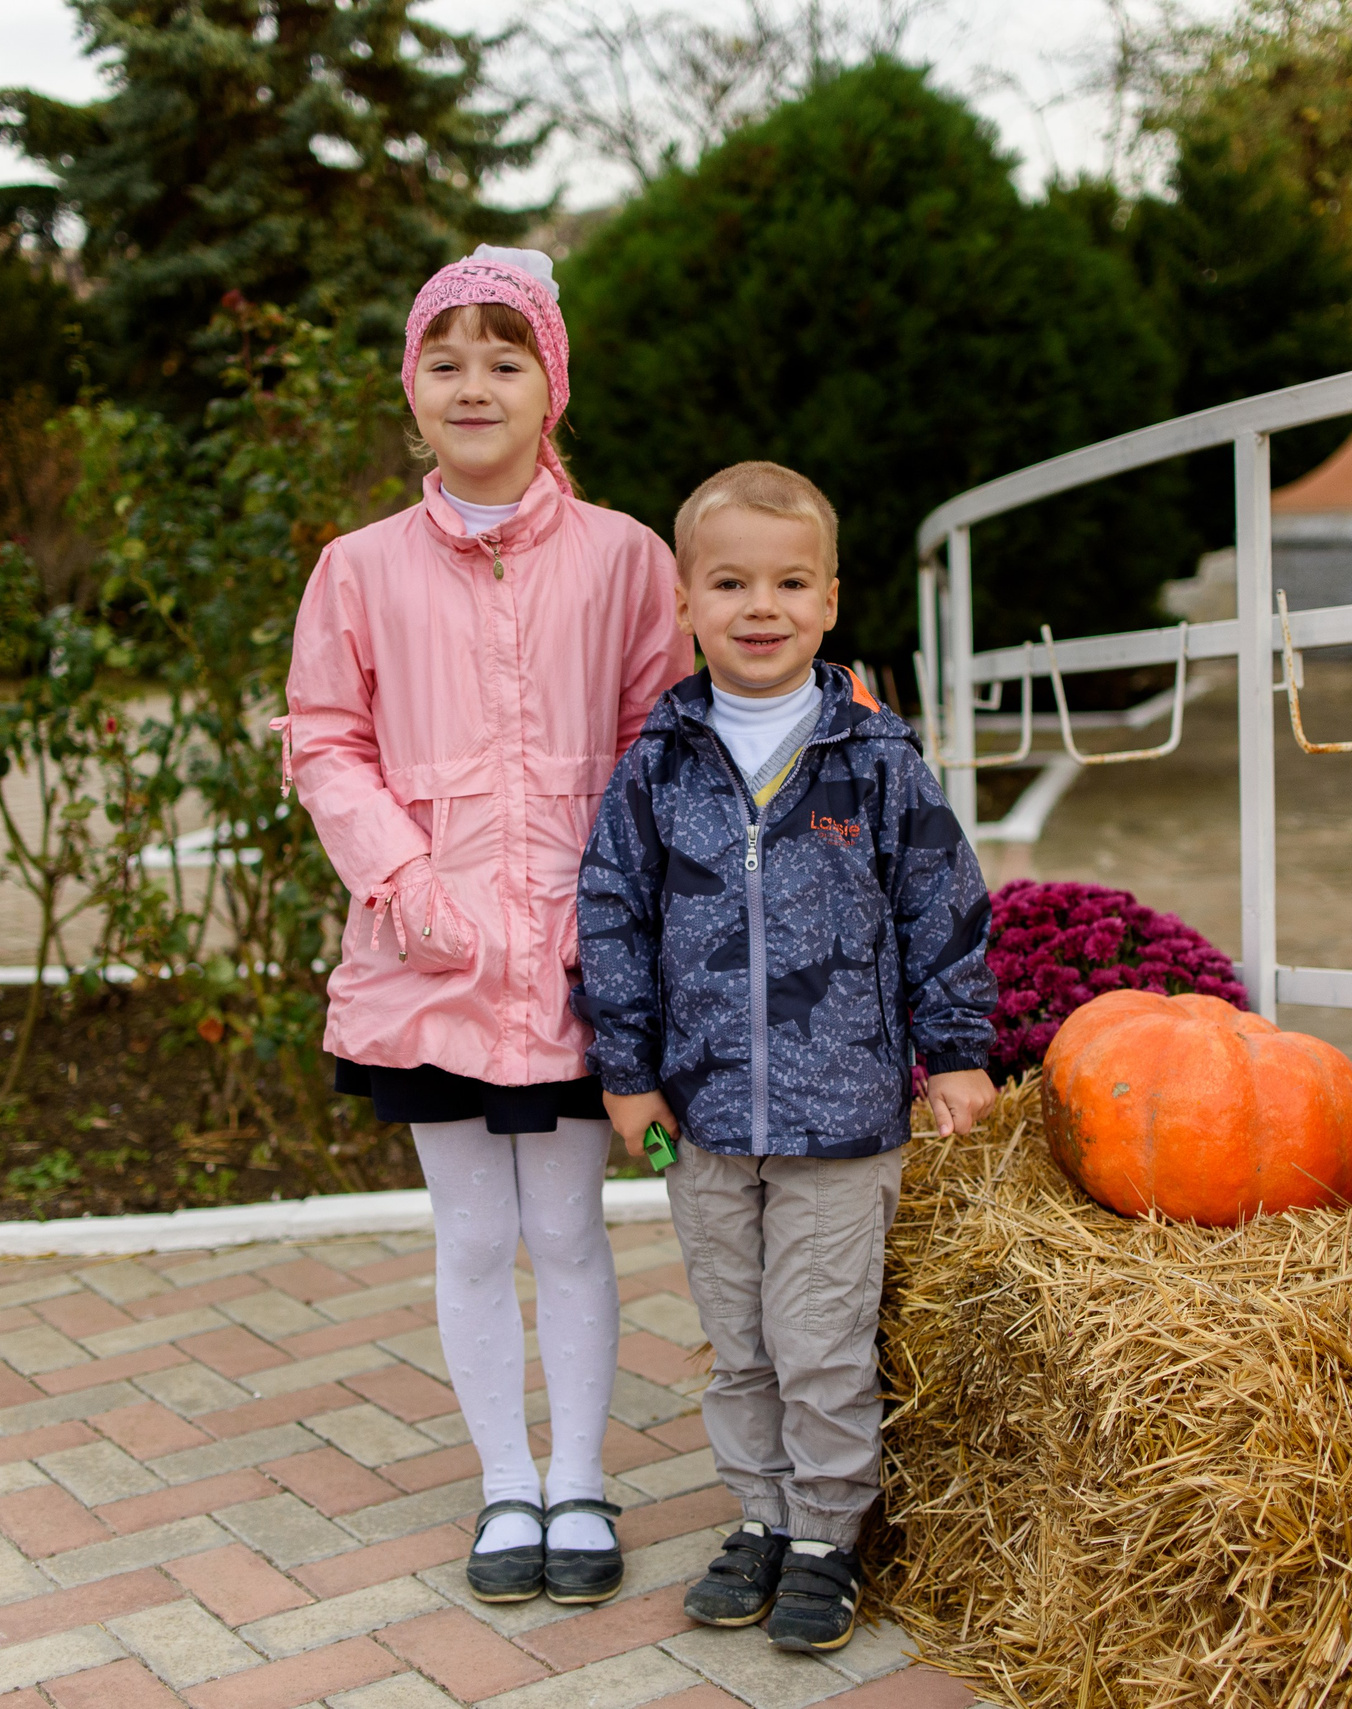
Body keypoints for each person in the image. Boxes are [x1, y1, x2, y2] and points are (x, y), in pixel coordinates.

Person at [281, 246, 685, 1607]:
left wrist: (610, 899)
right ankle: (505, 1484)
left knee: (568, 1228)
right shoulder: (357, 569)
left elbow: (655, 740)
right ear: (411, 389)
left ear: (550, 388)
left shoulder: (628, 559)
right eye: (445, 361)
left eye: (504, 360)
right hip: (430, 955)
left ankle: (581, 1480)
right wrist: (407, 880)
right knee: (469, 1231)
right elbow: (327, 740)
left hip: (578, 955)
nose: (474, 385)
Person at [575, 461, 999, 1652]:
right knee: (740, 1339)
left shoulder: (874, 760)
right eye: (730, 582)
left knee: (819, 1338)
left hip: (842, 1119)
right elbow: (611, 917)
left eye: (788, 582)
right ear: (683, 599)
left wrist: (957, 1049)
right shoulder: (656, 767)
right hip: (702, 1116)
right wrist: (627, 1071)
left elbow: (942, 905)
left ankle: (826, 1532)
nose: (758, 606)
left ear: (827, 602)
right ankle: (756, 1515)